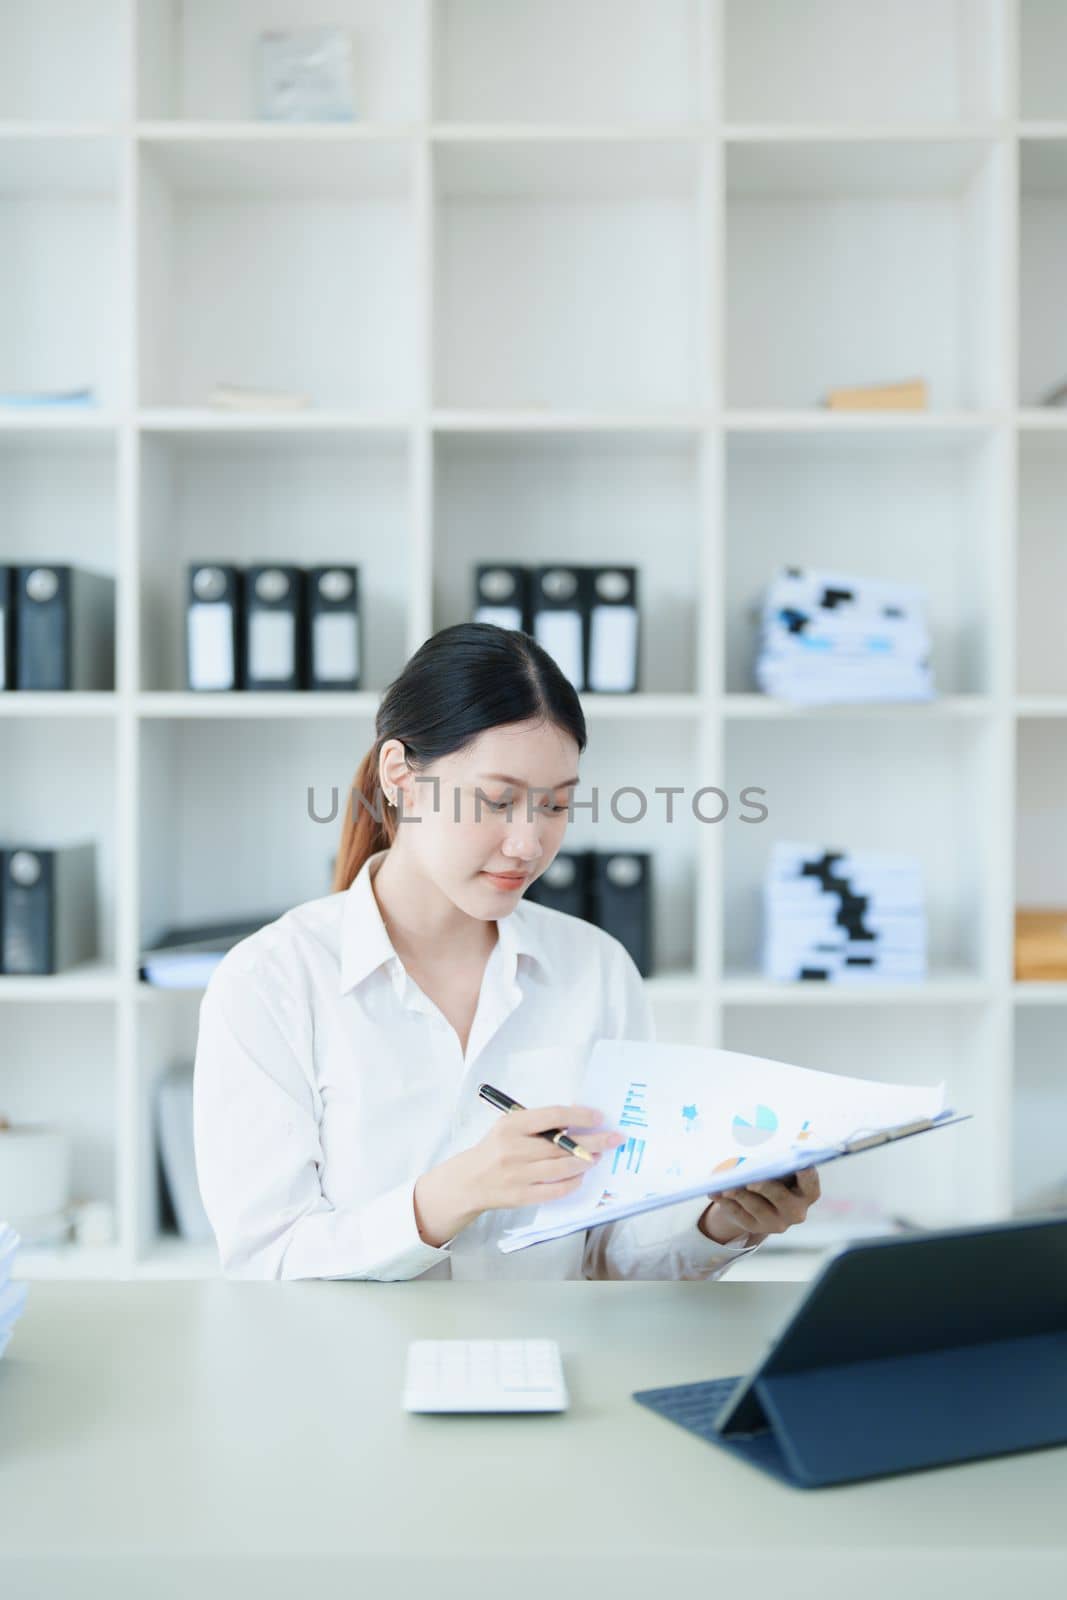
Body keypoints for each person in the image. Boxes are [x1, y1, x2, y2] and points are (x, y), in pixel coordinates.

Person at [193, 623, 819, 1279]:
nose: (528, 844)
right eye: (497, 800)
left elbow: (609, 1261)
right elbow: (264, 1264)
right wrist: (454, 1193)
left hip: (553, 1366)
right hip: (358, 1375)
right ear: (400, 775)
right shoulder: (272, 981)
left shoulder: (596, 969)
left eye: (554, 806)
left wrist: (719, 1222)